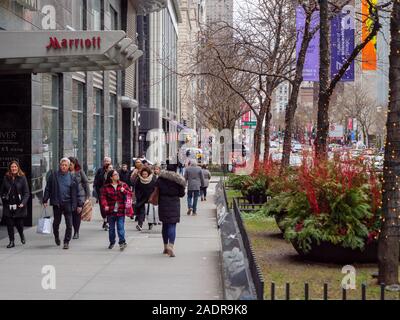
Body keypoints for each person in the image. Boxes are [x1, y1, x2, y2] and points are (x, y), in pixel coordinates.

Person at [43, 158, 83, 250]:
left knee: (69, 224)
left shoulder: (72, 177)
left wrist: (79, 204)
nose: (63, 166)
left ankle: (66, 242)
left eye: (65, 165)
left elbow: (77, 192)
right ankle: (56, 236)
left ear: (69, 166)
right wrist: (45, 200)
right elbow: (48, 188)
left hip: (68, 203)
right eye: (62, 165)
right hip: (57, 203)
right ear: (60, 165)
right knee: (56, 223)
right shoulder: (53, 176)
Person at [156, 167, 186, 257]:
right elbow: (181, 194)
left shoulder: (160, 179)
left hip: (163, 203)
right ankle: (171, 246)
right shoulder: (178, 180)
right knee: (172, 225)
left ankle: (165, 247)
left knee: (165, 225)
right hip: (174, 204)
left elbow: (156, 189)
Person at [0, 161, 30, 248]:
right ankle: (11, 241)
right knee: (9, 225)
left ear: (18, 168)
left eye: (15, 167)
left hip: (19, 206)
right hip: (8, 205)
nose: (13, 168)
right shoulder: (6, 178)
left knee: (19, 224)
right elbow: (2, 191)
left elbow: (26, 192)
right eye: (12, 167)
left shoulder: (22, 177)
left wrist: (23, 203)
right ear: (10, 168)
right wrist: (4, 198)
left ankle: (21, 234)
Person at [100, 170, 131, 250]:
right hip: (110, 211)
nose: (117, 175)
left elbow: (130, 194)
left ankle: (122, 242)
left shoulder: (123, 185)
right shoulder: (106, 187)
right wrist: (105, 205)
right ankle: (112, 241)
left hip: (121, 210)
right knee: (111, 229)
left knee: (120, 227)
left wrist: (124, 191)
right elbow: (103, 197)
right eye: (115, 174)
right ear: (111, 177)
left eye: (117, 174)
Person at [68, 157, 90, 240]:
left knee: (77, 215)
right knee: (71, 215)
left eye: (71, 164)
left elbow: (86, 182)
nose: (69, 166)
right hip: (69, 197)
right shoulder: (65, 172)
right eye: (68, 164)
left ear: (74, 164)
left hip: (79, 197)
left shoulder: (79, 172)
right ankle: (71, 230)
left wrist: (87, 196)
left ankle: (76, 231)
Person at [133, 167, 156, 231]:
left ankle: (150, 224)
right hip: (141, 199)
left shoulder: (152, 180)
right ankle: (140, 225)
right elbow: (136, 189)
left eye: (145, 174)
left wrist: (153, 197)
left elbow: (155, 189)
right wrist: (138, 196)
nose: (144, 175)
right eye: (143, 174)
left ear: (148, 174)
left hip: (150, 199)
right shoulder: (138, 180)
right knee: (141, 212)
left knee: (149, 212)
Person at [94, 157, 112, 231]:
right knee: (102, 207)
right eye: (105, 161)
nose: (107, 162)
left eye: (108, 161)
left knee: (110, 207)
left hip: (111, 193)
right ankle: (105, 219)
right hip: (102, 192)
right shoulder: (100, 171)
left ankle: (107, 222)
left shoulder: (113, 171)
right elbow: (96, 181)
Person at [147, 164, 161, 230]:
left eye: (157, 169)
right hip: (153, 194)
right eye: (155, 169)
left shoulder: (161, 177)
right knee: (151, 209)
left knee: (158, 208)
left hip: (159, 195)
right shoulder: (152, 177)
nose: (156, 170)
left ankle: (157, 220)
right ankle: (151, 222)